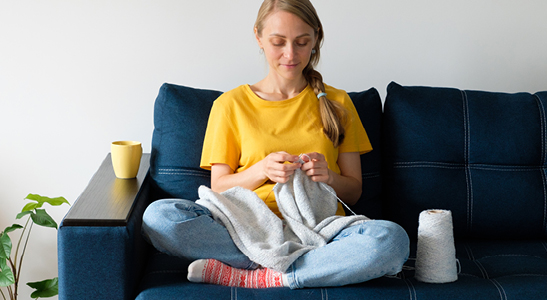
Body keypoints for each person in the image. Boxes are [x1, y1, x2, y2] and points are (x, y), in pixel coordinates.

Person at [142, 0, 409, 289]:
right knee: (159, 216)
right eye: (278, 42)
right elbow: (219, 186)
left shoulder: (338, 103)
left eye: (302, 42)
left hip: (319, 230)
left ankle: (266, 275)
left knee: (392, 239)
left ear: (316, 38)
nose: (290, 54)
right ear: (258, 37)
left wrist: (328, 177)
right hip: (246, 227)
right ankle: (302, 268)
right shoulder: (230, 105)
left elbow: (354, 192)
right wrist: (261, 170)